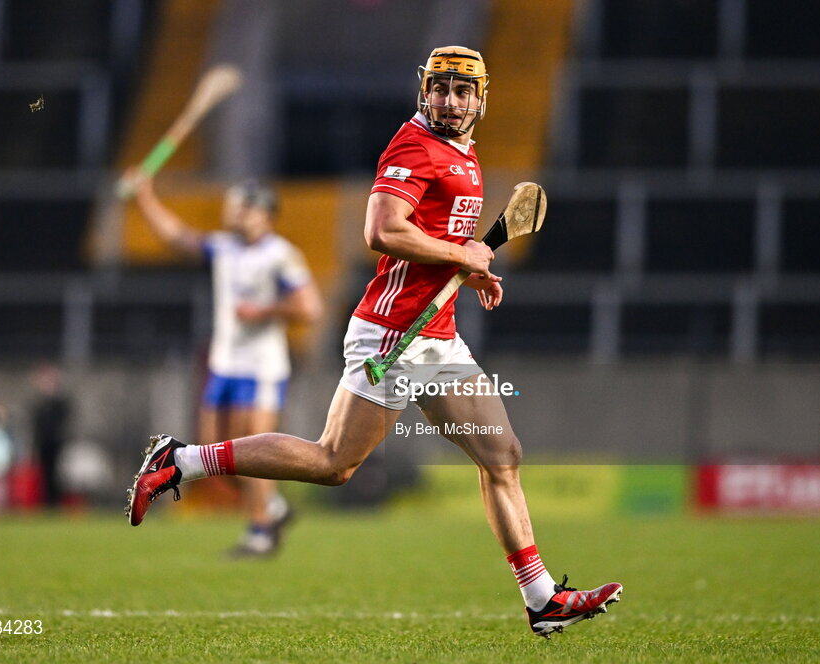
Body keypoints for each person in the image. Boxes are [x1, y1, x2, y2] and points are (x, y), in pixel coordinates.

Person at [126, 46, 622, 636]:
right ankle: (179, 460)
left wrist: (471, 268)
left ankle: (541, 599)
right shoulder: (414, 145)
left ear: (481, 98)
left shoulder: (463, 150)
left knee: (502, 456)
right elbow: (382, 231)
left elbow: (439, 237)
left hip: (439, 337)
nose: (450, 100)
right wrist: (461, 254)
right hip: (392, 336)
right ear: (424, 90)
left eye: (463, 91)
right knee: (333, 463)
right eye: (440, 87)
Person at [128, 171, 322, 556]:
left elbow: (310, 306)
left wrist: (263, 310)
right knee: (216, 461)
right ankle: (274, 507)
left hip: (262, 368)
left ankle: (261, 531)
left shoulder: (280, 255)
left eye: (242, 206)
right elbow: (176, 237)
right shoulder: (224, 248)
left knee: (250, 452)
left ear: (263, 214)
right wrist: (145, 197)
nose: (233, 211)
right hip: (223, 366)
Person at [31, 361, 71, 508]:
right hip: (43, 443)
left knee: (57, 474)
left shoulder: (60, 402)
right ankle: (46, 502)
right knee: (44, 474)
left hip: (57, 443)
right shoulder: (39, 403)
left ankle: (55, 502)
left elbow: (63, 423)